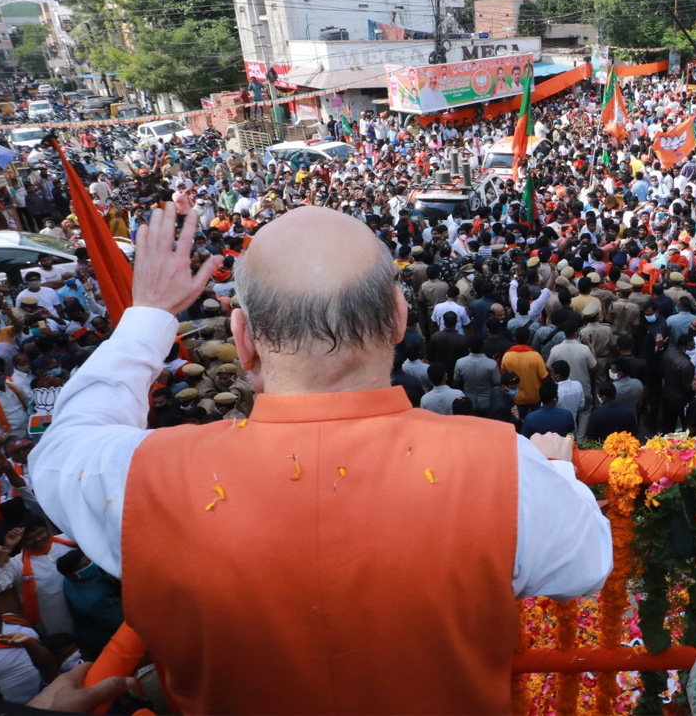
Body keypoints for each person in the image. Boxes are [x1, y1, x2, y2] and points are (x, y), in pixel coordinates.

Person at [30, 205, 611, 714]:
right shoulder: (505, 467)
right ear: (400, 318)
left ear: (242, 337)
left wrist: (149, 316)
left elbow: (61, 449)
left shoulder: (141, 479)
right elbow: (584, 568)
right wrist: (557, 468)